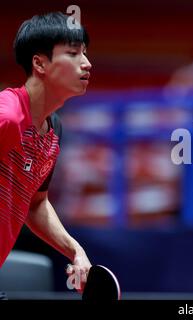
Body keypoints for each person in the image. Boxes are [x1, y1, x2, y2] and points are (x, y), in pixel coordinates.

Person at [0, 12, 93, 296]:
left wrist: (74, 249)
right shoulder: (8, 117)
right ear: (39, 63)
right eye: (73, 53)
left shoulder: (53, 131)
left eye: (85, 53)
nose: (87, 63)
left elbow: (35, 204)